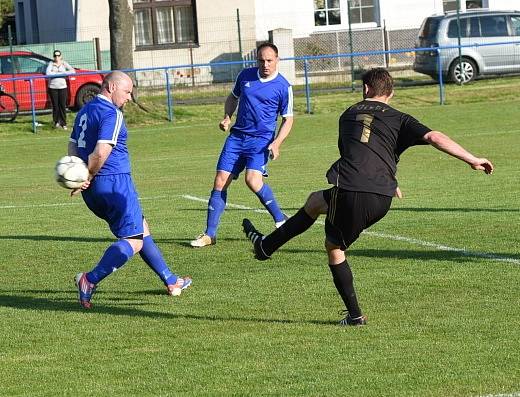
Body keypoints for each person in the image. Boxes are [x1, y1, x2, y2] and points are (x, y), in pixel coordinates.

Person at [242, 67, 494, 326]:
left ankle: (355, 316)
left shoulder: (347, 114)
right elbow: (433, 136)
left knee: (334, 248)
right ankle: (265, 247)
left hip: (352, 191)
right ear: (391, 93)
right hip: (382, 198)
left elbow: (356, 152)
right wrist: (472, 159)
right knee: (315, 201)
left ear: (365, 90)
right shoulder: (400, 118)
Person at [68, 71, 191, 309]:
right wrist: (90, 173)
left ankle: (171, 280)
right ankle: (89, 279)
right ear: (112, 87)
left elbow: (73, 144)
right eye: (127, 92)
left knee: (141, 229)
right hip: (113, 183)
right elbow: (102, 151)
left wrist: (79, 175)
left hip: (91, 190)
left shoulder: (84, 111)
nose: (129, 97)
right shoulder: (111, 113)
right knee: (133, 240)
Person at [190, 42, 294, 248]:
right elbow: (233, 97)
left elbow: (288, 119)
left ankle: (281, 219)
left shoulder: (283, 86)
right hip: (237, 138)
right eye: (261, 60)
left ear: (277, 60)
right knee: (220, 181)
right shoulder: (245, 76)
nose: (265, 64)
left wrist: (277, 142)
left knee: (252, 180)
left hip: (261, 141)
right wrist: (227, 117)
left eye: (269, 61)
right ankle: (210, 234)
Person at [46, 50, 75, 130]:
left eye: (58, 55)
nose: (57, 57)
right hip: (53, 87)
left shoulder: (64, 63)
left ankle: (63, 123)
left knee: (62, 105)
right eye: (55, 56)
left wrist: (62, 73)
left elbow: (72, 71)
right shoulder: (51, 64)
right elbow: (48, 73)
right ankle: (56, 122)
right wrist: (60, 74)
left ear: (61, 56)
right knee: (55, 106)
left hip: (63, 87)